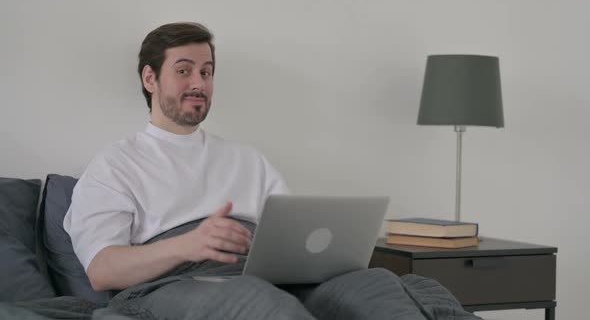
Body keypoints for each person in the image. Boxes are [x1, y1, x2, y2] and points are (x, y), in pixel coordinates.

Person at [63, 22, 480, 320]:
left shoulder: (248, 159)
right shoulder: (115, 165)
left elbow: (295, 243)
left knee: (373, 285)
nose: (199, 83)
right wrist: (189, 245)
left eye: (206, 72)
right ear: (150, 78)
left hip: (257, 273)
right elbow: (102, 271)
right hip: (166, 287)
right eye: (184, 70)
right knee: (259, 303)